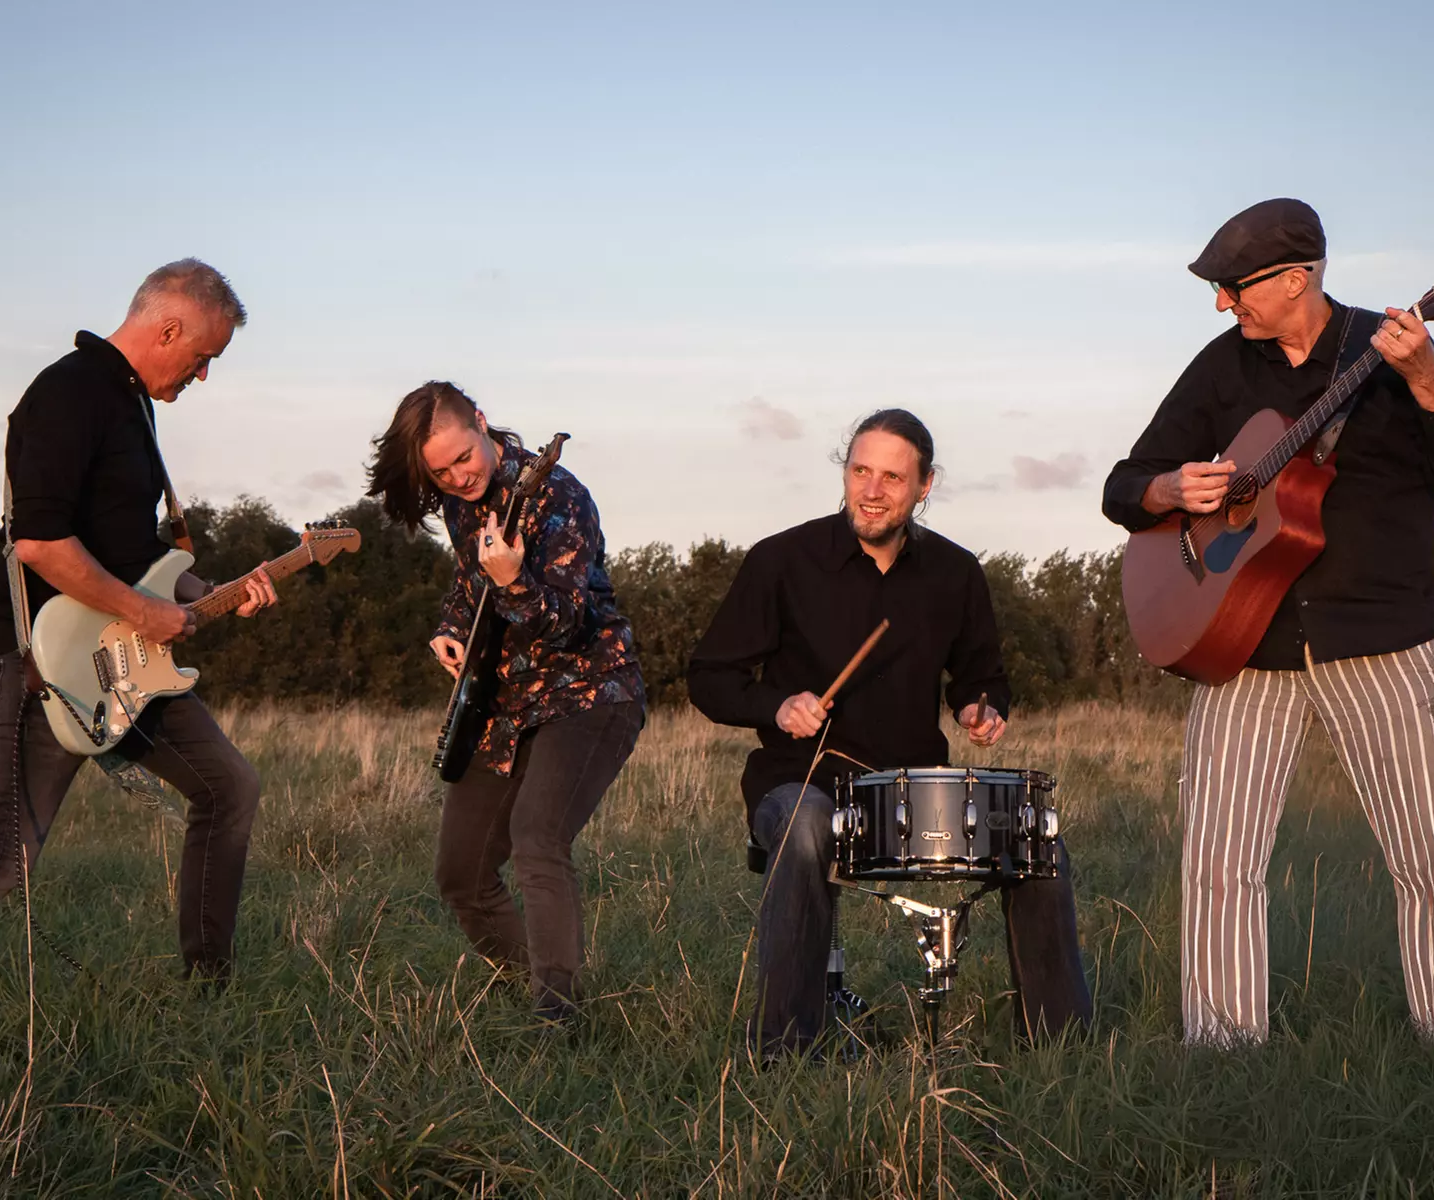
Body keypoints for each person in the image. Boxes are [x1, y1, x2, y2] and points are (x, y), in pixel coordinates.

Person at [1102, 198, 1434, 1052]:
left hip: (1383, 639)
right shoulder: (1222, 367)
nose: (1221, 304)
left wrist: (1430, 379)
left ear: (1297, 279)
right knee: (1217, 865)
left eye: (1231, 288)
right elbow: (1121, 484)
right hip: (1244, 646)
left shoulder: (1392, 351)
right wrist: (1174, 489)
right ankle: (1222, 1052)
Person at [0, 259, 279, 983]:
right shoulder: (68, 392)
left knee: (228, 788)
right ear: (169, 327)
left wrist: (211, 590)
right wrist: (149, 610)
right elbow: (42, 543)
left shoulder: (133, 406)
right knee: (2, 859)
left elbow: (128, 549)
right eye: (202, 357)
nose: (203, 376)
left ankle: (210, 984)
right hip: (46, 660)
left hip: (125, 653)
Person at [689, 408, 1093, 1056]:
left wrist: (978, 709)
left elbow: (979, 676)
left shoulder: (954, 573)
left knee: (1035, 835)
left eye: (891, 478)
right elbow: (708, 678)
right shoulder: (782, 561)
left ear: (923, 485)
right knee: (806, 826)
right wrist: (776, 705)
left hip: (910, 797)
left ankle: (1061, 1047)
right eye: (859, 471)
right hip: (801, 780)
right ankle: (786, 1051)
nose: (870, 490)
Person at [366, 382, 644, 1027]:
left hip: (588, 691)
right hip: (503, 704)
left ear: (483, 424)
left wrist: (514, 582)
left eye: (464, 458)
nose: (458, 477)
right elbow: (469, 587)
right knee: (461, 875)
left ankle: (558, 1015)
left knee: (537, 841)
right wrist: (450, 630)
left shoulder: (557, 494)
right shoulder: (457, 504)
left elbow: (567, 622)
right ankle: (533, 987)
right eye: (439, 471)